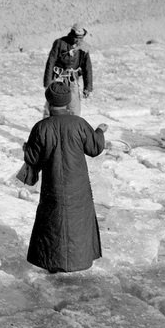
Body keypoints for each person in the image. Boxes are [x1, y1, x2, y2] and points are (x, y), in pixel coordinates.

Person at [24, 81, 108, 273]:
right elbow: (95, 148)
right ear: (68, 102)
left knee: (53, 225)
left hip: (53, 187)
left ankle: (53, 263)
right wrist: (100, 131)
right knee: (78, 224)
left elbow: (32, 157)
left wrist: (26, 148)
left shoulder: (41, 127)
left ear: (48, 102)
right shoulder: (79, 124)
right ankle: (80, 262)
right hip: (78, 187)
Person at [43, 22, 93, 117]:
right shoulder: (59, 43)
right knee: (53, 105)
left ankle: (72, 128)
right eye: (77, 37)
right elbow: (51, 62)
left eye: (81, 38)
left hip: (72, 80)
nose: (79, 40)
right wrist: (48, 82)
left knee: (74, 108)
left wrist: (88, 87)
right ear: (71, 34)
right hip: (58, 79)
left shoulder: (84, 48)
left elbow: (87, 68)